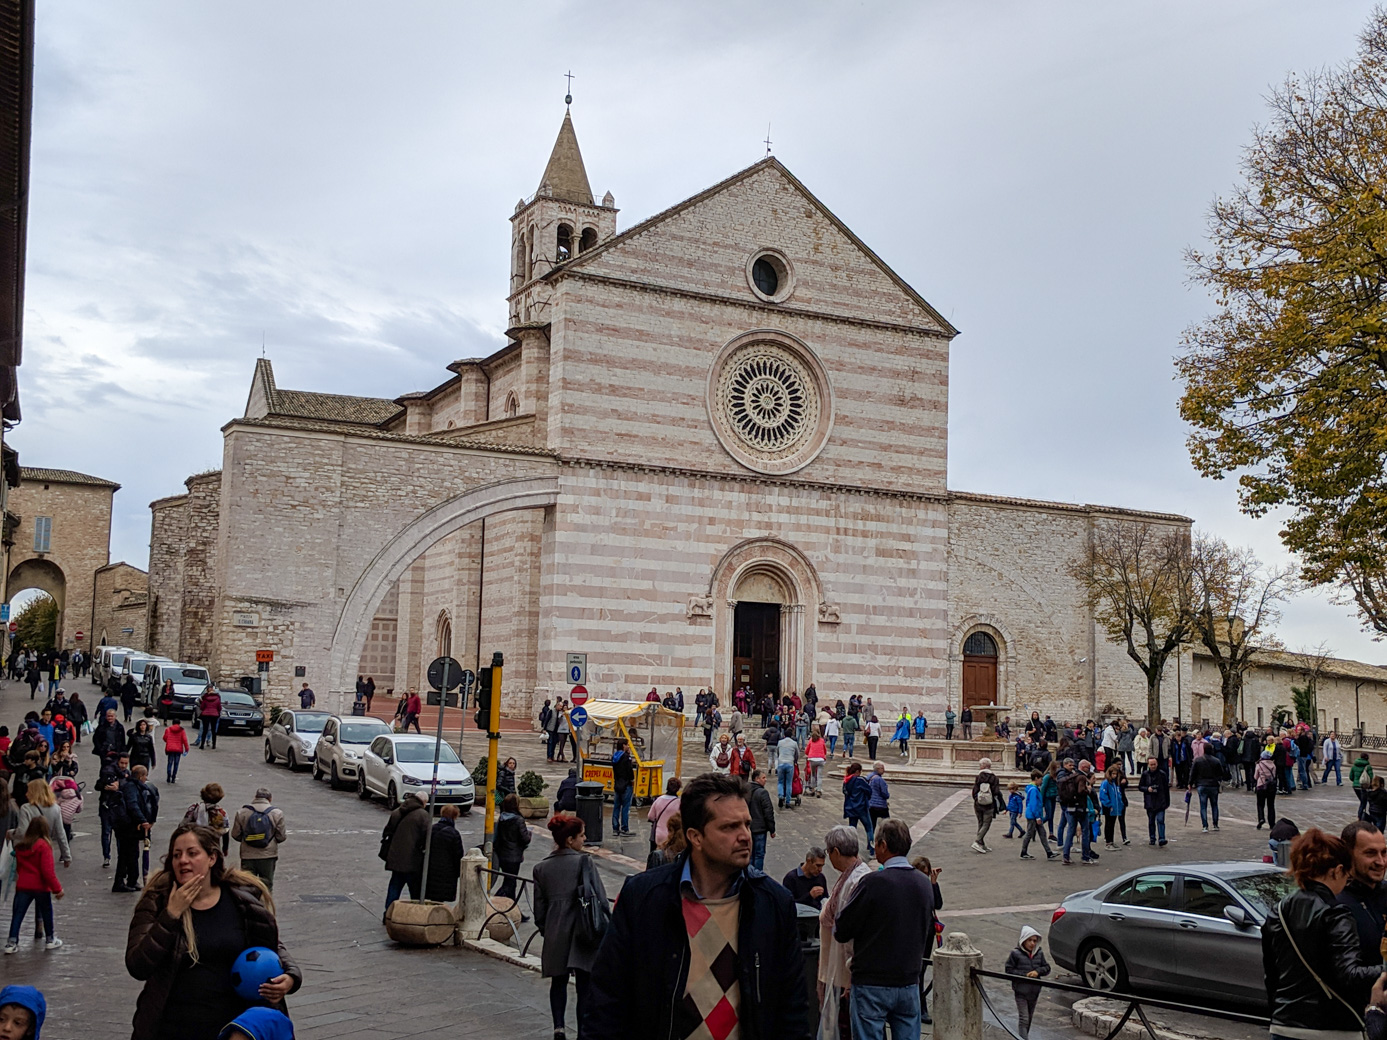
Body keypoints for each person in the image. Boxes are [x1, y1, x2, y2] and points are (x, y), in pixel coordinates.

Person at [585, 772, 810, 1040]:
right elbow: (606, 1003)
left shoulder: (773, 904)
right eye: (729, 827)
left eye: (746, 824)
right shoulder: (644, 898)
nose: (745, 836)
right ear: (696, 837)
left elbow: (792, 1013)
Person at [126, 823, 301, 1040]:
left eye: (192, 853)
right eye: (177, 855)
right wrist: (171, 914)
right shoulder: (157, 901)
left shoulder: (240, 900)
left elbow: (270, 942)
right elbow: (137, 965)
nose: (183, 860)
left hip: (231, 1028)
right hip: (171, 1028)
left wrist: (291, 975)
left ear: (212, 858)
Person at [1262, 828, 1387, 1040]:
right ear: (1337, 871)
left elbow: (1272, 974)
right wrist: (1384, 971)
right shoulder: (1335, 912)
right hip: (1334, 1027)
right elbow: (1349, 973)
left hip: (1284, 1025)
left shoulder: (1280, 909)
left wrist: (1279, 1014)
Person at [833, 818, 935, 1040]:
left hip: (871, 983)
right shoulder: (924, 884)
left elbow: (842, 929)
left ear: (883, 845)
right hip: (908, 981)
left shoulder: (872, 883)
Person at [534, 814, 608, 1040]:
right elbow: (601, 899)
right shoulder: (584, 862)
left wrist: (547, 929)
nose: (584, 839)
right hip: (582, 930)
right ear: (570, 840)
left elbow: (539, 909)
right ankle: (582, 1032)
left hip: (555, 929)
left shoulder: (541, 868)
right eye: (581, 836)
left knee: (558, 982)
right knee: (584, 985)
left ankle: (559, 1028)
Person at [818, 825, 873, 1040]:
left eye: (828, 852)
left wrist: (851, 977)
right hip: (838, 969)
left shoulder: (856, 881)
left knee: (847, 1027)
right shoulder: (851, 876)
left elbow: (852, 933)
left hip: (845, 973)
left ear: (836, 852)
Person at [3, 818, 63, 954]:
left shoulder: (21, 847)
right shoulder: (44, 846)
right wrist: (57, 889)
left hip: (23, 885)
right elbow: (47, 871)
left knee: (18, 914)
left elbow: (18, 867)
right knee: (46, 912)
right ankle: (50, 939)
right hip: (40, 886)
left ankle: (11, 942)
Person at [1337, 820, 1387, 966]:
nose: (1381, 862)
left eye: (1384, 853)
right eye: (1370, 853)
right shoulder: (1335, 904)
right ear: (1348, 855)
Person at [380, 792, 428, 914]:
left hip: (395, 857)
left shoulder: (397, 812)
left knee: (395, 886)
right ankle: (416, 913)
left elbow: (387, 832)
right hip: (412, 860)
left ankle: (388, 913)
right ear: (423, 802)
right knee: (415, 890)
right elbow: (426, 838)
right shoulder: (423, 815)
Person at [231, 789, 286, 891]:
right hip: (268, 855)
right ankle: (265, 900)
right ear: (270, 799)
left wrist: (247, 840)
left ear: (255, 797)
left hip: (247, 855)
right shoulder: (277, 813)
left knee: (247, 885)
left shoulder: (242, 812)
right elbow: (281, 837)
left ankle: (249, 901)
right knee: (266, 885)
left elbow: (235, 834)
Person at [114, 764, 158, 892]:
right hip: (128, 827)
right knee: (127, 854)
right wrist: (143, 820)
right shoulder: (131, 787)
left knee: (132, 853)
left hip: (129, 826)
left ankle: (132, 880)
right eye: (145, 776)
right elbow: (132, 805)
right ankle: (122, 881)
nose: (146, 778)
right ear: (140, 776)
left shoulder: (132, 786)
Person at [14, 779, 71, 873]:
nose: (26, 794)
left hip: (30, 850)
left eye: (29, 791)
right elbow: (60, 833)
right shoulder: (55, 808)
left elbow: (22, 832)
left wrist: (12, 833)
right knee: (46, 874)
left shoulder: (26, 808)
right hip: (46, 848)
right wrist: (66, 855)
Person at [1005, 926, 1050, 1040]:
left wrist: (1037, 971)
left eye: (1034, 941)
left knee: (1029, 1018)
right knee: (1024, 1018)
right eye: (1029, 940)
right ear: (1023, 940)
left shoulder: (1039, 953)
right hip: (1021, 991)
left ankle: (1023, 1037)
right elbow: (1009, 970)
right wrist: (1024, 975)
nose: (1032, 943)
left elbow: (1046, 968)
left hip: (1034, 991)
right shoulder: (1015, 954)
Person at [492, 793, 531, 901]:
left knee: (510, 881)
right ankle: (495, 901)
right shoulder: (518, 820)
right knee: (510, 882)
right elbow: (525, 839)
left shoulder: (502, 818)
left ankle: (511, 905)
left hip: (502, 854)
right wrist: (529, 834)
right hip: (514, 856)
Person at [424, 804, 465, 903]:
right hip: (447, 873)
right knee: (440, 899)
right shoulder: (454, 833)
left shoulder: (431, 829)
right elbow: (458, 855)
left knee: (432, 897)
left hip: (430, 869)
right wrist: (458, 872)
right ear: (454, 816)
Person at [1061, 760, 1096, 865]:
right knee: (1085, 831)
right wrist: (1088, 790)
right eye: (1088, 767)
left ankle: (1066, 856)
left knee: (1070, 831)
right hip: (1081, 808)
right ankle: (1085, 856)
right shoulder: (1082, 777)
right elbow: (1081, 791)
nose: (1090, 770)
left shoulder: (1072, 776)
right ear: (1084, 767)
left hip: (1071, 806)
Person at [1019, 770, 1056, 860]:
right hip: (1033, 815)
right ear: (1036, 778)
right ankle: (1023, 852)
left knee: (1042, 833)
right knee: (1030, 833)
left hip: (1033, 814)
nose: (1042, 781)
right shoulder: (1034, 790)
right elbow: (1033, 804)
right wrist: (1037, 817)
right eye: (1041, 779)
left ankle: (1049, 852)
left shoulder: (1032, 788)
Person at [746, 768, 775, 871]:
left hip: (748, 828)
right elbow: (768, 812)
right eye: (763, 778)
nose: (765, 780)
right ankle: (757, 875)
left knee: (749, 853)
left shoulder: (746, 791)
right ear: (757, 779)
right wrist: (772, 829)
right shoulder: (763, 793)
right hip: (760, 829)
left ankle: (749, 873)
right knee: (759, 854)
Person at [1138, 756, 1171, 847]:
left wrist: (1167, 802)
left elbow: (1166, 789)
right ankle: (1152, 838)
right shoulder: (1145, 774)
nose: (1153, 766)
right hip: (1150, 802)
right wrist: (1147, 789)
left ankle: (1162, 838)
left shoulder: (1162, 774)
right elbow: (1140, 787)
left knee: (1160, 820)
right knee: (1151, 821)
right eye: (1151, 764)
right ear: (1148, 765)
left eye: (1154, 764)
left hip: (1160, 801)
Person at [1191, 741, 1223, 832]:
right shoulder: (1216, 761)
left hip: (1202, 784)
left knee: (1203, 806)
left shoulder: (1198, 760)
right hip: (1213, 785)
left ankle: (1205, 825)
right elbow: (1221, 773)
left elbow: (1193, 773)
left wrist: (1190, 783)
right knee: (1214, 805)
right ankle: (1215, 824)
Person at [971, 758, 1001, 854]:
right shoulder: (994, 778)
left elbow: (974, 791)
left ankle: (981, 844)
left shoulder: (978, 777)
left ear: (983, 766)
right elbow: (996, 791)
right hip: (989, 804)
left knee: (981, 823)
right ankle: (977, 842)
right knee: (986, 824)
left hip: (978, 804)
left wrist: (977, 799)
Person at [842, 761, 874, 848]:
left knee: (852, 830)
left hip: (850, 808)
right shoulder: (860, 780)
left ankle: (851, 848)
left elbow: (844, 792)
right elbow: (869, 790)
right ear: (857, 771)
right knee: (869, 828)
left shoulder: (846, 780)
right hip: (861, 807)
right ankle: (871, 848)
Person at [647, 777, 681, 852]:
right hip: (673, 835)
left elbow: (650, 816)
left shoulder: (658, 800)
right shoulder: (679, 803)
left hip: (659, 834)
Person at [1099, 765, 1129, 849]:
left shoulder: (1115, 784)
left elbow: (1118, 795)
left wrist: (1120, 804)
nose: (1115, 776)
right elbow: (1103, 795)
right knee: (1109, 824)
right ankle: (1108, 842)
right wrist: (1108, 804)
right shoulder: (1106, 783)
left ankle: (1111, 841)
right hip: (1109, 807)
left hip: (1115, 807)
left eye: (1116, 774)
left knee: (1112, 824)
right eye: (1113, 774)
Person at [610, 740, 634, 837]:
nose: (628, 746)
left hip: (617, 784)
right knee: (625, 807)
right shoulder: (626, 757)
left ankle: (615, 828)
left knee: (616, 806)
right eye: (627, 744)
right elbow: (630, 771)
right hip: (626, 784)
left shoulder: (614, 757)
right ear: (623, 746)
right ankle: (625, 828)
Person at [1256, 750, 1279, 829]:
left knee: (1260, 804)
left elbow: (1255, 776)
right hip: (1271, 787)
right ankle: (1272, 823)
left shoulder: (1259, 765)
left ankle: (1261, 818)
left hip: (1261, 786)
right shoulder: (1273, 765)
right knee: (1271, 805)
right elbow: (1274, 775)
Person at [163, 718, 189, 784]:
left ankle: (168, 776)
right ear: (179, 723)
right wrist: (187, 749)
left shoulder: (168, 729)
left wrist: (169, 742)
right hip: (178, 749)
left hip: (170, 748)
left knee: (170, 763)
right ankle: (173, 777)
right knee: (176, 763)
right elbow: (185, 740)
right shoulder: (182, 730)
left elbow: (165, 738)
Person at [1354, 751, 1376, 820]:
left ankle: (1360, 816)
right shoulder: (1368, 767)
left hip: (1355, 786)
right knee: (1364, 802)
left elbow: (1351, 776)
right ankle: (1361, 816)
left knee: (1362, 802)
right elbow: (1371, 777)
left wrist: (1356, 781)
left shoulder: (1354, 766)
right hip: (1364, 787)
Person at [805, 729, 827, 797]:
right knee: (819, 776)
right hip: (820, 759)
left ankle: (813, 789)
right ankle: (818, 791)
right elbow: (825, 750)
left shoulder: (811, 740)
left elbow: (806, 751)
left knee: (813, 775)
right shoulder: (822, 740)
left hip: (812, 759)